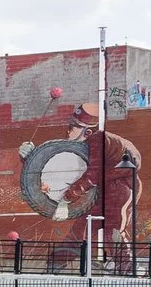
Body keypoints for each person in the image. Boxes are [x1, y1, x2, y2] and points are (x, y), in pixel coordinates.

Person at [57, 101, 141, 248]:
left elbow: (92, 175)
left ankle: (126, 269)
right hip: (111, 187)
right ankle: (56, 264)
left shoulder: (97, 140)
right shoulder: (97, 141)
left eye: (73, 127)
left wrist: (66, 199)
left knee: (112, 230)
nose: (68, 131)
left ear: (87, 132)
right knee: (83, 227)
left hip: (120, 188)